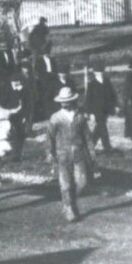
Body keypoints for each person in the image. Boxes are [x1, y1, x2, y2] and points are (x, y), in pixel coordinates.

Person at [45, 83, 91, 222]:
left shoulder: (80, 116)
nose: (65, 103)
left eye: (67, 101)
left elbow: (87, 137)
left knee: (82, 182)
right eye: (62, 101)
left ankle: (70, 201)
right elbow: (49, 137)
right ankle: (69, 207)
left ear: (72, 100)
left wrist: (92, 154)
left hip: (79, 153)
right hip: (62, 154)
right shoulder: (56, 118)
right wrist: (49, 152)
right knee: (65, 183)